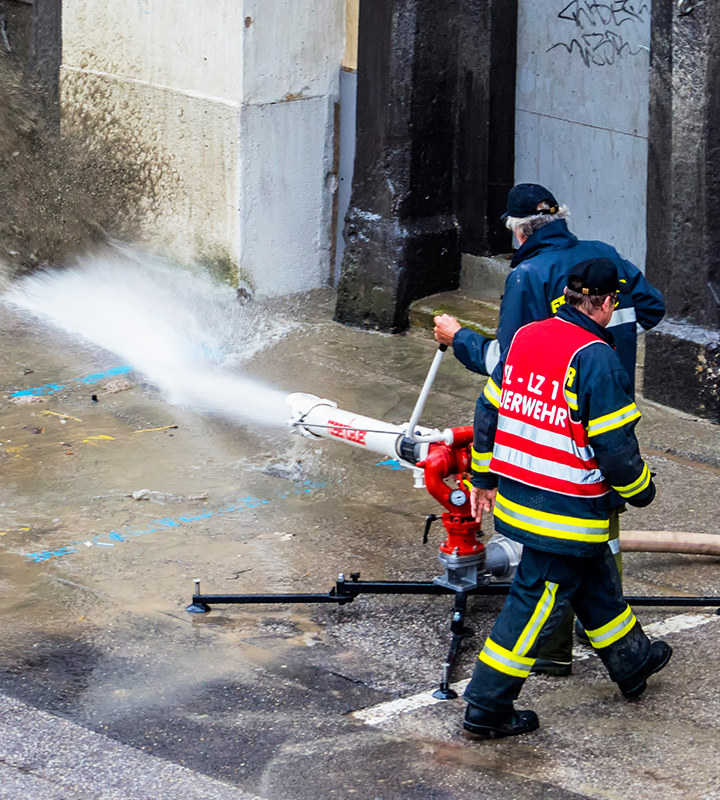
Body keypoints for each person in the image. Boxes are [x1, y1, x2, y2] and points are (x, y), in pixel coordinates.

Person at [435, 183, 666, 674]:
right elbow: (653, 308)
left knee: (550, 549)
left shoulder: (528, 275)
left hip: (552, 439)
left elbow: (504, 364)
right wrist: (611, 350)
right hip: (610, 418)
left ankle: (550, 652)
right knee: (604, 533)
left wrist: (460, 339)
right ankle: (620, 647)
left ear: (518, 233)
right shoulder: (605, 258)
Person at [461, 258, 671, 739]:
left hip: (521, 498)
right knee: (535, 604)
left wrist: (483, 477)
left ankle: (632, 660)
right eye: (613, 303)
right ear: (604, 302)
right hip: (565, 509)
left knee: (593, 580)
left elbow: (487, 408)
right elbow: (616, 451)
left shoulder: (528, 336)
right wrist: (642, 490)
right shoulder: (595, 357)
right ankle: (486, 706)